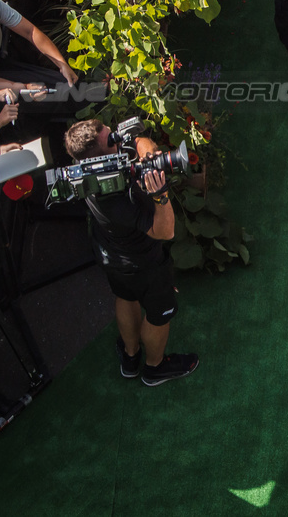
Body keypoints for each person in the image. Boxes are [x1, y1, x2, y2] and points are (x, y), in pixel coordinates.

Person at [62, 119, 198, 386]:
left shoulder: (88, 173)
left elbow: (140, 143)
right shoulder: (118, 200)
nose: (116, 139)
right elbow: (165, 231)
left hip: (110, 255)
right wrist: (160, 195)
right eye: (111, 141)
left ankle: (131, 356)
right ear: (103, 154)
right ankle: (155, 367)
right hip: (144, 263)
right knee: (159, 314)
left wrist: (147, 153)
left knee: (125, 296)